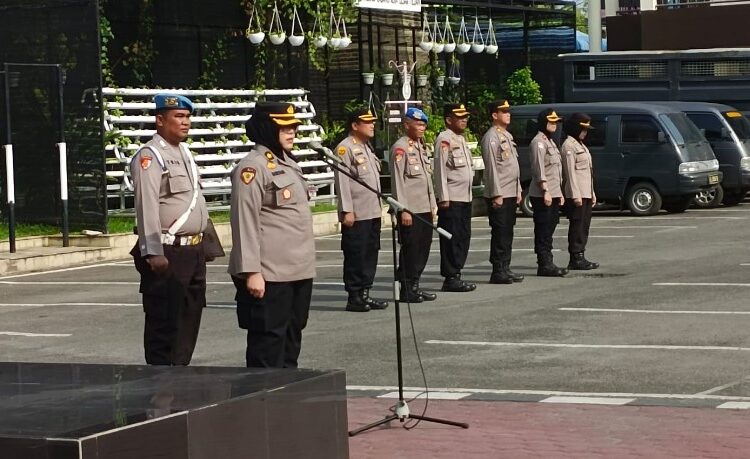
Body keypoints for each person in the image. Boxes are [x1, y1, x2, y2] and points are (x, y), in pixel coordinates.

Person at [228, 102, 315, 368]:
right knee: (267, 346)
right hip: (270, 273)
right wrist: (251, 271)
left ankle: (286, 403)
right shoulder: (252, 167)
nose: (292, 132)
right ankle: (262, 404)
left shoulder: (288, 163)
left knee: (291, 339)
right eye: (284, 127)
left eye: (294, 127)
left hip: (297, 271)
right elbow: (244, 221)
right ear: (267, 128)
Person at [130, 93, 208, 366]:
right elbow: (146, 205)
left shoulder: (184, 153)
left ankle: (179, 384)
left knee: (188, 324)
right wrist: (152, 252)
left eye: (188, 117)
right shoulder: (150, 156)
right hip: (168, 250)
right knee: (164, 326)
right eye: (179, 117)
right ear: (160, 120)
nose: (185, 123)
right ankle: (159, 395)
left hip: (193, 251)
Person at [334, 108, 389, 312]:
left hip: (372, 211)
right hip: (357, 213)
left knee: (370, 253)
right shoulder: (345, 148)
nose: (372, 125)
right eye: (367, 122)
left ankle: (365, 292)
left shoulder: (366, 147)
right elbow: (342, 181)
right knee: (356, 253)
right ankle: (354, 295)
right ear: (355, 125)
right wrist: (346, 210)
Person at [390, 107, 437, 303]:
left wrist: (433, 205)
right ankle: (407, 288)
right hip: (411, 210)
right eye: (418, 124)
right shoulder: (400, 148)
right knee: (411, 250)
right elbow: (398, 182)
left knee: (423, 249)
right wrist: (403, 209)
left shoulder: (420, 146)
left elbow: (427, 179)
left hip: (424, 207)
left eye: (423, 124)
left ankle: (415, 284)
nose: (422, 127)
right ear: (406, 124)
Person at [434, 103, 476, 292]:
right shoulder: (444, 139)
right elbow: (440, 170)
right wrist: (443, 196)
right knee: (452, 238)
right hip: (451, 199)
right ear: (448, 120)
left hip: (464, 197)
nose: (464, 119)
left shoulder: (460, 139)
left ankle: (457, 273)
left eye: (465, 116)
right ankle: (451, 276)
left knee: (463, 237)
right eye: (459, 117)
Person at [481, 100, 524, 285]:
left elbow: (512, 167)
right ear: (494, 115)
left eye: (508, 111)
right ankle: (498, 270)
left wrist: (518, 189)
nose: (508, 114)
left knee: (507, 232)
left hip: (510, 191)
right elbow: (491, 168)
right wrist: (496, 193)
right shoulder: (492, 137)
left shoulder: (506, 135)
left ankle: (505, 267)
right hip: (500, 193)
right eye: (503, 111)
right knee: (500, 232)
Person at [529, 108, 567, 277]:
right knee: (543, 229)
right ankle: (544, 263)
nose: (554, 125)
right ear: (543, 122)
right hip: (542, 194)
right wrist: (545, 190)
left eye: (556, 122)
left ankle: (548, 261)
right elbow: (539, 169)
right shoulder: (539, 142)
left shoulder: (551, 142)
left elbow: (556, 172)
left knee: (550, 227)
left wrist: (559, 193)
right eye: (551, 121)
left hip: (553, 192)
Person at [561, 113, 600, 270]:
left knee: (584, 225)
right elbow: (570, 173)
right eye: (582, 129)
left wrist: (592, 193)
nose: (585, 132)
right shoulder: (569, 146)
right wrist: (575, 195)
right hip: (576, 193)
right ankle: (575, 257)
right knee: (577, 226)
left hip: (586, 192)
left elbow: (587, 173)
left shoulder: (580, 144)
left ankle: (581, 254)